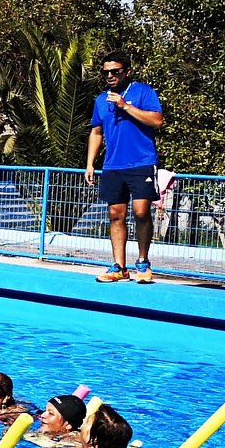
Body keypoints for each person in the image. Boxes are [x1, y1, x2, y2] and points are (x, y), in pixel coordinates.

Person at [84, 48, 166, 284]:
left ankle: (143, 263)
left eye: (115, 71)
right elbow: (96, 131)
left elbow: (157, 121)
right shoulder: (101, 99)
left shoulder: (143, 92)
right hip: (113, 165)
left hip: (142, 162)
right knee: (115, 214)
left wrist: (126, 106)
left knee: (141, 212)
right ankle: (119, 266)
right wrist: (90, 164)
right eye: (106, 72)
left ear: (127, 71)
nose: (110, 76)